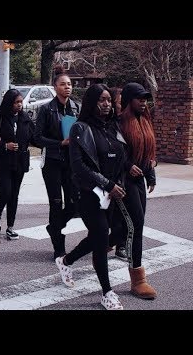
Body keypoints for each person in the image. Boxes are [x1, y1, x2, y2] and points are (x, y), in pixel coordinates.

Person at [55, 84, 127, 310]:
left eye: (108, 100)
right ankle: (107, 292)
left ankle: (66, 260)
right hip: (89, 193)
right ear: (91, 102)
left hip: (113, 192)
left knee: (111, 234)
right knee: (100, 238)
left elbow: (122, 158)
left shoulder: (114, 126)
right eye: (101, 100)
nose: (106, 104)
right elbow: (79, 166)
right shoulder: (80, 128)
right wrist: (107, 184)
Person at [114, 82, 158, 300]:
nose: (143, 102)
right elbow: (111, 153)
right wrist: (126, 165)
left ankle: (93, 247)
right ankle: (138, 279)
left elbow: (147, 154)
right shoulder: (119, 123)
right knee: (136, 225)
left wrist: (151, 175)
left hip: (139, 181)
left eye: (145, 98)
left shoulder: (145, 121)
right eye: (139, 98)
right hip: (122, 183)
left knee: (126, 228)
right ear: (129, 100)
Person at [34, 66, 80, 260]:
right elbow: (36, 138)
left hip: (72, 162)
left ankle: (53, 227)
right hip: (52, 161)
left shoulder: (77, 107)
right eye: (63, 84)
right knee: (56, 202)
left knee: (74, 203)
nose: (67, 87)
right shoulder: (46, 109)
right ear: (55, 87)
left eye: (69, 84)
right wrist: (59, 143)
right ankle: (58, 247)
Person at [0, 89, 36, 240]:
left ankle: (10, 227)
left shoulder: (24, 118)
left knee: (14, 195)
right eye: (16, 102)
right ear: (9, 102)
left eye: (21, 102)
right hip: (2, 162)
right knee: (6, 192)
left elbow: (33, 138)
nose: (19, 105)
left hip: (19, 162)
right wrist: (3, 145)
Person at [107, 87, 128, 260]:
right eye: (121, 102)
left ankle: (119, 244)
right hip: (113, 175)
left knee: (124, 214)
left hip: (128, 176)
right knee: (113, 213)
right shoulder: (110, 124)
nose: (124, 105)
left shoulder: (131, 120)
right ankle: (110, 241)